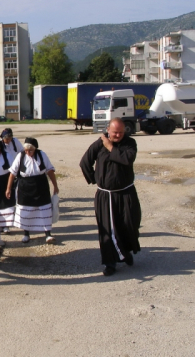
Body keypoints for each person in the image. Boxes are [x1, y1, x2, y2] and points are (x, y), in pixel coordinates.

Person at [79, 118, 141, 276]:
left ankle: (125, 252)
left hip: (126, 193)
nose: (118, 135)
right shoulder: (99, 143)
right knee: (108, 229)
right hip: (106, 196)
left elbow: (127, 159)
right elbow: (85, 162)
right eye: (114, 132)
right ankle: (110, 263)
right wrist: (94, 179)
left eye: (121, 132)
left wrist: (110, 146)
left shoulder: (130, 143)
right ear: (108, 129)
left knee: (129, 225)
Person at [6, 137, 59, 244]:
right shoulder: (20, 156)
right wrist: (8, 189)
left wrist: (55, 186)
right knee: (26, 211)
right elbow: (12, 174)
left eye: (30, 150)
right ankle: (26, 234)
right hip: (25, 187)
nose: (28, 152)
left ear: (35, 149)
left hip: (41, 186)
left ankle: (48, 234)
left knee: (44, 210)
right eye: (26, 150)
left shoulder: (42, 155)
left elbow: (50, 171)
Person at [0, 139, 16, 234]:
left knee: (7, 203)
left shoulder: (7, 156)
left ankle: (6, 225)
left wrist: (9, 187)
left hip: (6, 181)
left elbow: (13, 170)